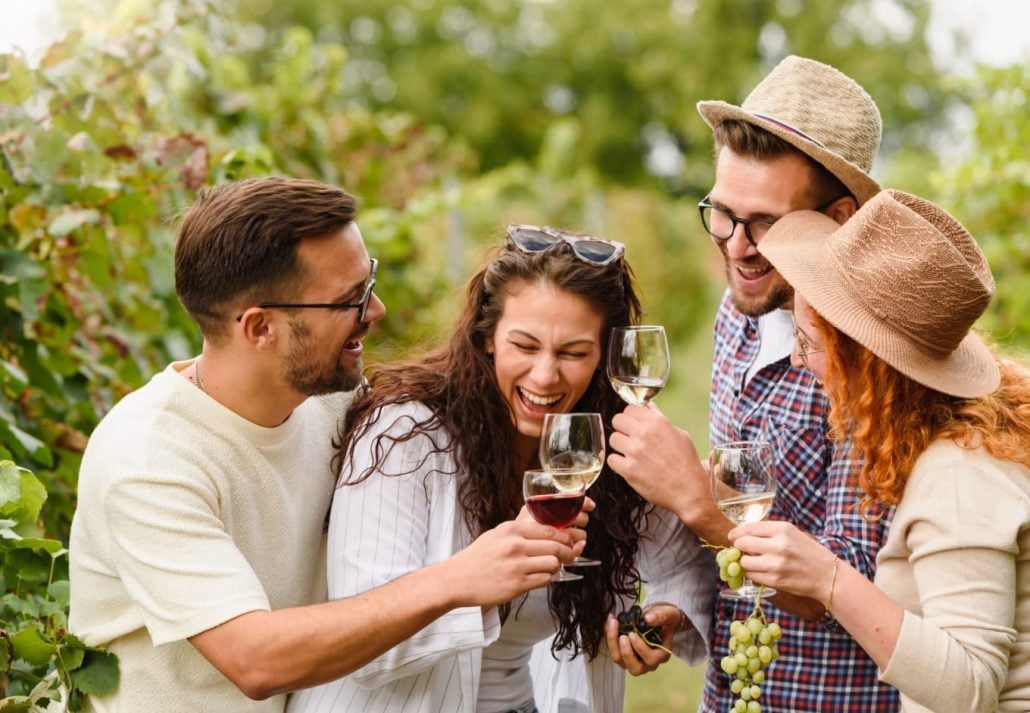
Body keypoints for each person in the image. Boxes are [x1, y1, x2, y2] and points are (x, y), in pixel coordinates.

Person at [68, 179, 586, 713]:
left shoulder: (332, 404)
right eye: (349, 299)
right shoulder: (151, 461)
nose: (377, 309)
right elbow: (256, 660)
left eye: (371, 282)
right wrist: (456, 580)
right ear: (261, 327)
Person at [286, 225, 715, 713]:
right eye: (525, 347)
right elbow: (363, 646)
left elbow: (686, 566)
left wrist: (669, 615)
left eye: (574, 353)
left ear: (603, 358)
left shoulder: (601, 447)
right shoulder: (406, 434)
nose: (545, 375)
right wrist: (481, 579)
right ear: (487, 337)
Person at [604, 55, 901, 709]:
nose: (735, 247)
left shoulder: (877, 358)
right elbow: (752, 515)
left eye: (764, 222)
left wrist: (694, 500)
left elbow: (854, 578)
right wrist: (685, 607)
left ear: (842, 215)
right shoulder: (739, 311)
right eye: (721, 213)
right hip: (738, 688)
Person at [730, 188, 1030, 712]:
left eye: (809, 342)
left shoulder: (958, 471)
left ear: (868, 365)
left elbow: (970, 688)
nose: (798, 363)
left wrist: (828, 578)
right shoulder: (977, 426)